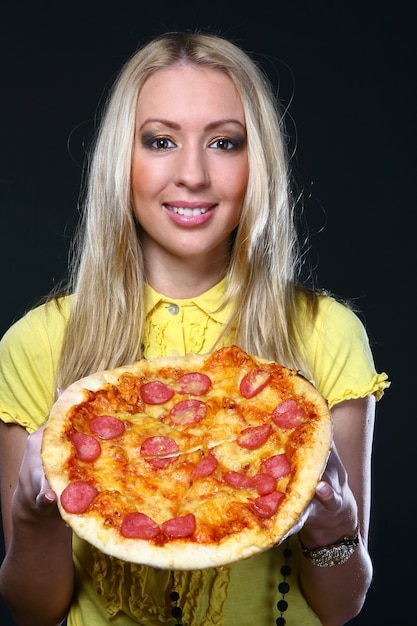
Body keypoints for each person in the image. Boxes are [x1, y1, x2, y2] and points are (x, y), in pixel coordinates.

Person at [0, 31, 389, 626]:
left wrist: (336, 525)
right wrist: (32, 514)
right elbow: (33, 610)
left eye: (224, 143)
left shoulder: (325, 333)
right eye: (160, 141)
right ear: (119, 160)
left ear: (255, 162)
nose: (192, 174)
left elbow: (339, 607)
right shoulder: (36, 342)